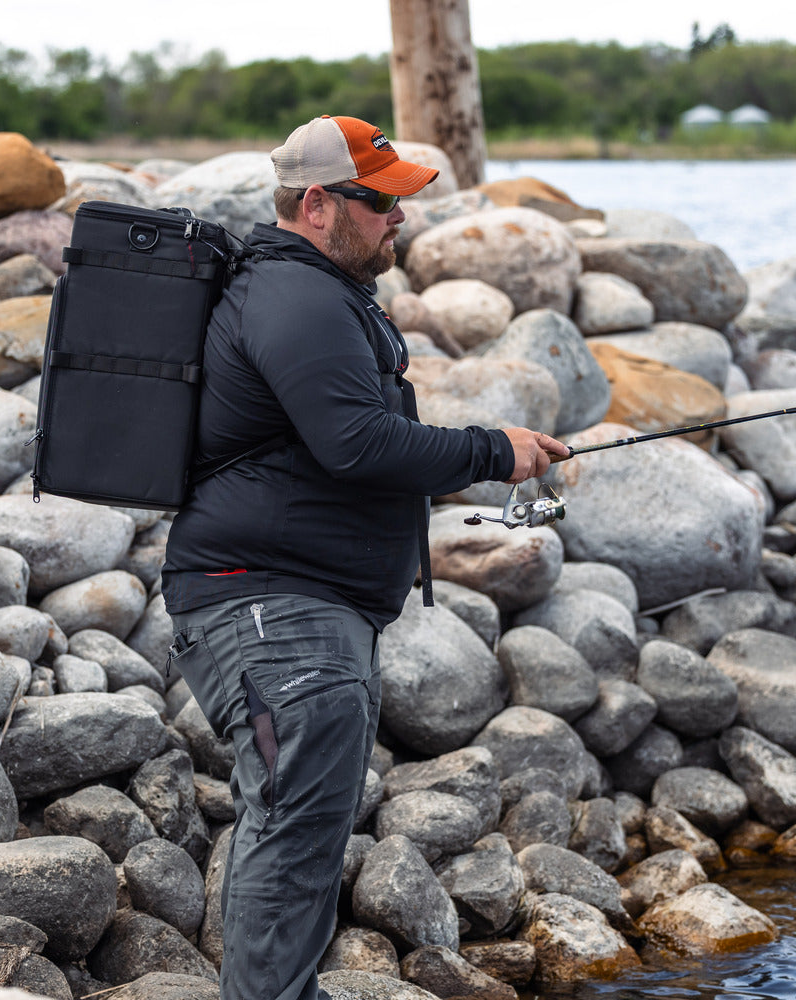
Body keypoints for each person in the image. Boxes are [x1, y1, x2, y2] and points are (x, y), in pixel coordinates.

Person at [161, 114, 568, 1000]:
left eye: (399, 201)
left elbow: (349, 440)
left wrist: (491, 450)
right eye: (380, 201)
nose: (399, 219)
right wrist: (492, 450)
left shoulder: (313, 290)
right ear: (316, 204)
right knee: (295, 825)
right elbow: (356, 443)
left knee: (298, 820)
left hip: (296, 603)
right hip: (270, 606)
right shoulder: (296, 297)